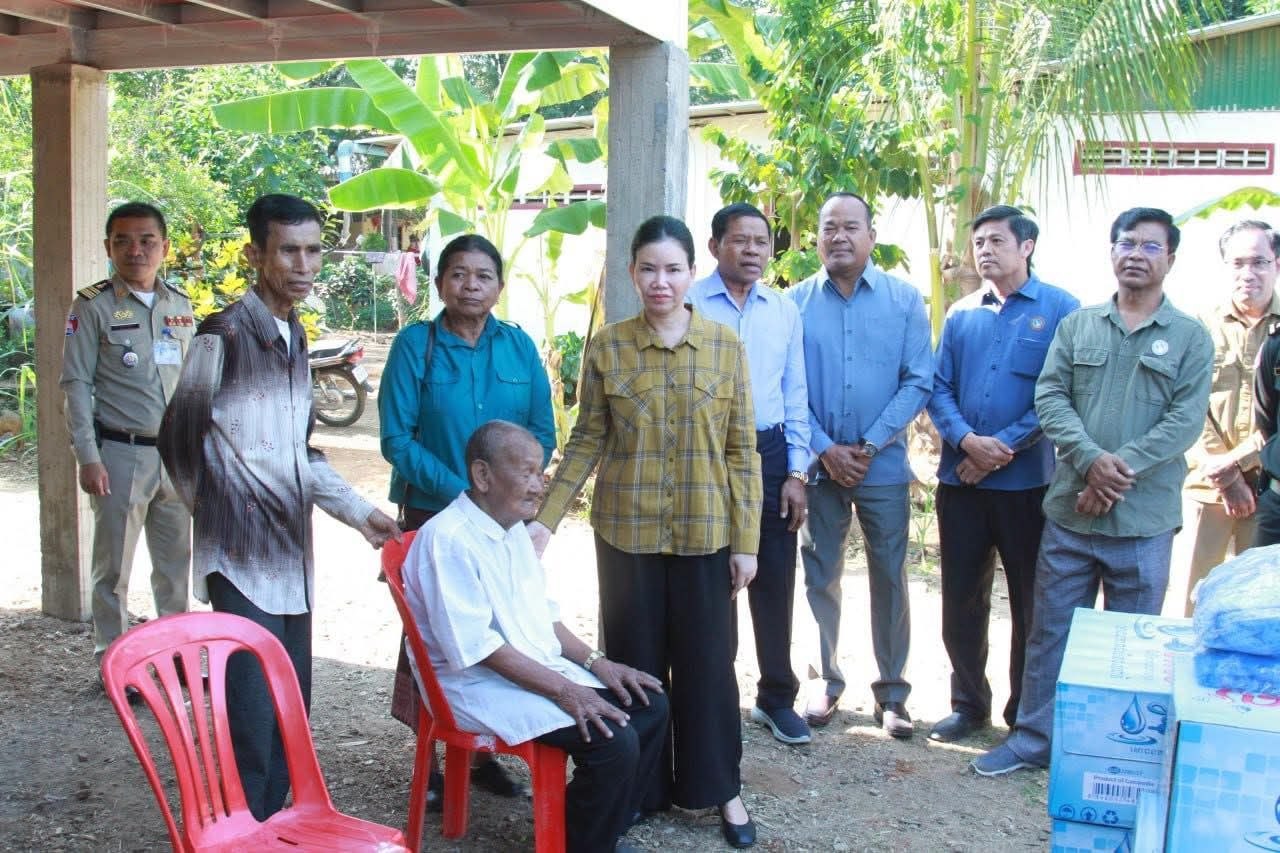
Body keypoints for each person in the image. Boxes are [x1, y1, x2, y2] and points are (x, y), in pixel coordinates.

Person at [158, 193, 401, 818]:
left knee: (290, 709)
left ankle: (271, 826)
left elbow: (299, 455)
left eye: (313, 250)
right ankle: (240, 833)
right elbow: (178, 440)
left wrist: (361, 514)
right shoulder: (222, 336)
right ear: (255, 254)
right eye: (288, 250)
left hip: (291, 558)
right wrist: (219, 512)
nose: (304, 265)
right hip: (241, 561)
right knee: (250, 715)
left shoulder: (294, 337)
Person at [529, 215, 763, 848]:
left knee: (709, 665)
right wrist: (545, 521)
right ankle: (641, 787)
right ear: (632, 274)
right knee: (633, 665)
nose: (661, 281)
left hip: (705, 532)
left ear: (692, 273)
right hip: (625, 533)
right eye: (649, 269)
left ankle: (721, 789)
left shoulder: (725, 347)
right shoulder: (608, 347)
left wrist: (746, 542)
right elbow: (587, 440)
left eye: (673, 269)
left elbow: (742, 452)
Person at [973, 207, 1214, 776]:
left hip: (1142, 522)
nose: (1136, 254)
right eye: (1126, 243)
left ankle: (1112, 754)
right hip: (1071, 517)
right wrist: (1089, 462)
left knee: (1132, 645)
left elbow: (1184, 421)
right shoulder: (1079, 325)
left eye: (1150, 246)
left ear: (1170, 258)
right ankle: (1034, 740)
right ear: (1111, 252)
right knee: (1050, 633)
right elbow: (1051, 397)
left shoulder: (1189, 337)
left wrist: (1114, 473)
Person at [403, 420, 668, 853]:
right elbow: (479, 649)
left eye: (540, 472)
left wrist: (598, 663)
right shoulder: (448, 540)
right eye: (526, 472)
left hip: (529, 669)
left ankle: (594, 830)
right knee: (613, 742)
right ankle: (581, 845)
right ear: (483, 475)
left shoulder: (512, 530)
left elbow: (545, 617)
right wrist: (566, 690)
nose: (538, 485)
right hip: (474, 686)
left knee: (649, 704)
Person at [379, 232, 555, 802]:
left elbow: (543, 432)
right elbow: (396, 439)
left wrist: (506, 494)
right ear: (439, 284)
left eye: (483, 276)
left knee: (502, 624)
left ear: (499, 286)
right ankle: (429, 760)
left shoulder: (519, 347)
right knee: (429, 638)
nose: (470, 285)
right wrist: (466, 493)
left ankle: (483, 755)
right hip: (433, 514)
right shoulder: (416, 345)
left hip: (502, 520)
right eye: (458, 274)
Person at [925, 205, 1079, 743]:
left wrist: (1001, 448)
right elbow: (938, 388)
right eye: (979, 242)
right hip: (961, 482)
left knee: (1031, 604)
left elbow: (1060, 394)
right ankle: (969, 704)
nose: (985, 250)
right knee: (961, 600)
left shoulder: (1061, 309)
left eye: (996, 240)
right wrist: (967, 441)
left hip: (1026, 486)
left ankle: (1024, 713)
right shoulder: (962, 314)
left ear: (1027, 246)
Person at [786, 192, 932, 738]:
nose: (839, 236)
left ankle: (892, 694)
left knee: (890, 576)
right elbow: (788, 385)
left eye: (851, 227)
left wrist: (868, 446)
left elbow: (918, 380)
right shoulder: (794, 303)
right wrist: (826, 448)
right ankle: (825, 680)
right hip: (819, 467)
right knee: (820, 574)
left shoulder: (904, 300)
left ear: (872, 236)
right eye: (829, 227)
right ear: (817, 238)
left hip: (883, 469)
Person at [688, 202, 812, 745]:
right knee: (713, 573)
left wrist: (797, 472)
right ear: (715, 246)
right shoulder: (689, 302)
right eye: (741, 240)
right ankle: (716, 696)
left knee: (775, 576)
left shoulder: (783, 310)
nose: (753, 250)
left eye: (762, 241)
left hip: (769, 452)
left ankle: (776, 697)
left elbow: (796, 393)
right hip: (704, 451)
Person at [60, 201, 193, 679]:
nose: (136, 250)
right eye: (123, 241)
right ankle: (116, 665)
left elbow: (192, 381)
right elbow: (75, 384)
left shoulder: (180, 305)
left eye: (146, 240)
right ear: (108, 247)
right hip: (120, 455)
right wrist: (87, 456)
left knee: (174, 566)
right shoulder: (92, 305)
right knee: (113, 569)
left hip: (174, 457)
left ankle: (176, 655)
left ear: (165, 247)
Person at [1166, 221, 1279, 614]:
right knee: (1188, 605)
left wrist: (1239, 465)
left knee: (1260, 608)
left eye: (1259, 262)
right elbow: (1183, 404)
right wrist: (1225, 475)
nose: (1248, 273)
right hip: (1205, 486)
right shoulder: (1197, 327)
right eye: (1238, 263)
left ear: (1277, 264)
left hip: (1270, 490)